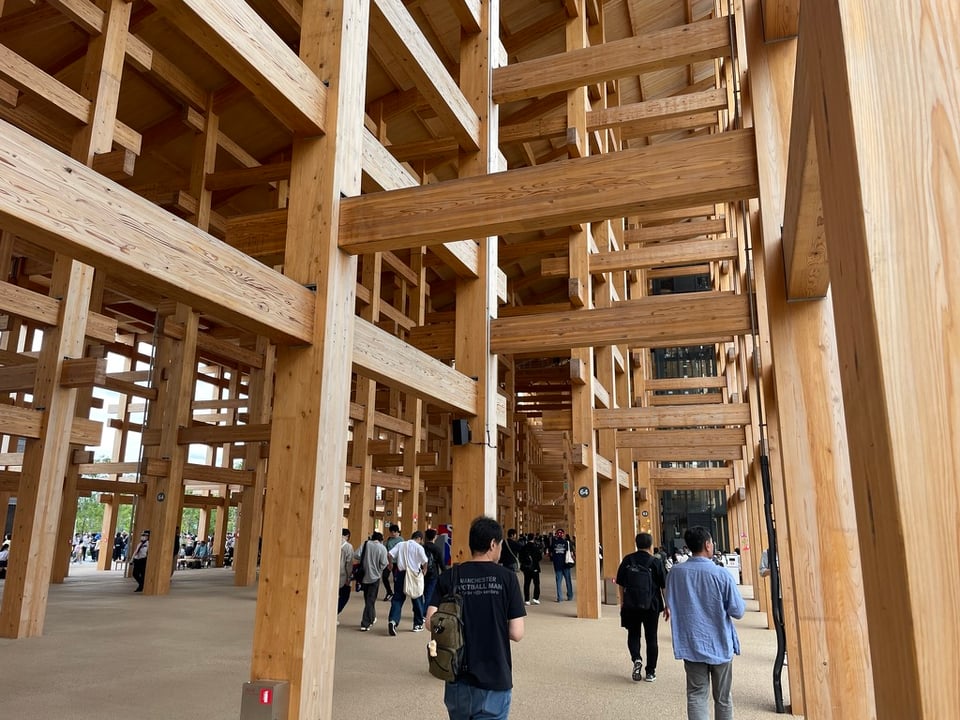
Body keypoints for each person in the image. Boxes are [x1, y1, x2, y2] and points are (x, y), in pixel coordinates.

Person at [426, 516, 525, 720]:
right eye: (499, 545)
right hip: (495, 676)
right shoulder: (507, 578)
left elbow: (430, 621)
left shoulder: (450, 577)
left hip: (456, 676)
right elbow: (516, 633)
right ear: (492, 545)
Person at [665, 526, 745, 720]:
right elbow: (738, 611)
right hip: (720, 642)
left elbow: (670, 602)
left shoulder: (675, 573)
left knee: (696, 695)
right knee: (723, 698)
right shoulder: (721, 574)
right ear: (708, 545)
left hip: (691, 642)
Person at [616, 532, 667, 682]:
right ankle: (650, 672)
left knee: (633, 634)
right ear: (651, 545)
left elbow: (620, 582)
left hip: (631, 604)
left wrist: (623, 602)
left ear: (636, 544)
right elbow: (663, 586)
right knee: (651, 638)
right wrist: (667, 605)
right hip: (652, 605)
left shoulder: (628, 559)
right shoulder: (655, 562)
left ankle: (636, 658)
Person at [387, 529, 428, 634]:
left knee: (398, 598)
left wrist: (391, 564)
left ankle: (393, 620)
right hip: (414, 575)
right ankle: (417, 624)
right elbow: (425, 561)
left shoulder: (401, 544)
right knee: (417, 598)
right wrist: (424, 570)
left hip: (401, 573)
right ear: (419, 539)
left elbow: (389, 554)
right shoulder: (419, 547)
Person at [356, 531, 389, 631]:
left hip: (364, 576)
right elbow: (384, 563)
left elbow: (356, 555)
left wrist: (364, 559)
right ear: (381, 540)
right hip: (375, 577)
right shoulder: (382, 548)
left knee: (368, 599)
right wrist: (379, 569)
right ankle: (365, 623)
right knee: (370, 600)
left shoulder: (365, 544)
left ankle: (372, 617)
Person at [423, 528, 446, 612]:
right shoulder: (437, 549)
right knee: (429, 594)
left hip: (422, 573)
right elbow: (441, 564)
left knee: (422, 593)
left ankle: (419, 611)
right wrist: (445, 574)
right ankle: (424, 613)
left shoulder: (422, 547)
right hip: (433, 574)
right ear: (435, 537)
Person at [549, 529, 574, 602]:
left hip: (557, 565)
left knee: (558, 582)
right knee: (568, 581)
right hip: (566, 565)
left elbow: (550, 554)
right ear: (563, 534)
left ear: (556, 534)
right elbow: (571, 554)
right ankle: (570, 596)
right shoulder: (567, 543)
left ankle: (560, 598)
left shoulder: (554, 543)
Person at [518, 533, 541, 605]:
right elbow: (540, 557)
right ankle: (535, 598)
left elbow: (520, 558)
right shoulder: (536, 547)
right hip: (535, 568)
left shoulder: (524, 547)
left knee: (527, 584)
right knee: (536, 583)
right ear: (533, 538)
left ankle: (527, 600)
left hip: (526, 568)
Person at [382, 524, 403, 600]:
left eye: (393, 532)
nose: (392, 534)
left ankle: (397, 594)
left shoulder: (401, 540)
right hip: (388, 561)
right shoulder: (389, 539)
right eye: (391, 532)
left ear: (397, 532)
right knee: (384, 577)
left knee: (396, 579)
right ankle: (389, 592)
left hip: (397, 563)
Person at [337, 528, 354, 620]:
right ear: (347, 536)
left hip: (330, 574)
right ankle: (334, 613)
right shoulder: (348, 547)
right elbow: (349, 564)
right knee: (344, 596)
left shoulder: (332, 541)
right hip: (342, 574)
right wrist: (349, 577)